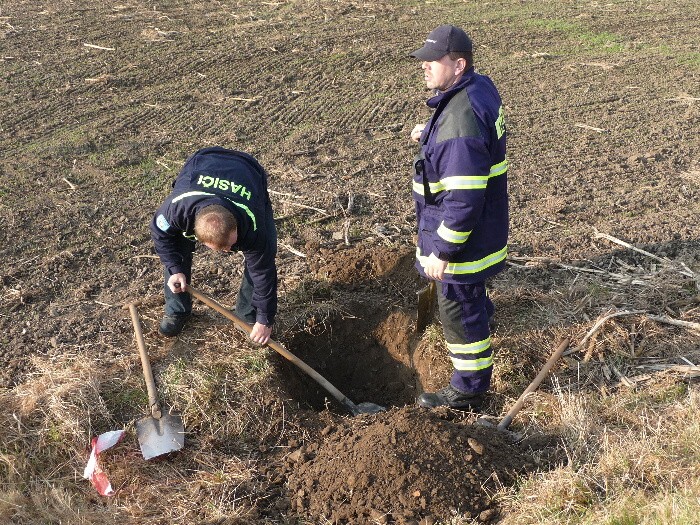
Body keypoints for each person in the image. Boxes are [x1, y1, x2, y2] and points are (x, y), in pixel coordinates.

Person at [409, 24, 508, 410]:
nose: (425, 67)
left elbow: (463, 199)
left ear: (459, 63)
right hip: (486, 229)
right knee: (473, 302)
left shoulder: (459, 124)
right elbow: (469, 139)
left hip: (463, 240)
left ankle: (469, 388)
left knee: (457, 308)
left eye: (434, 61)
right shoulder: (477, 88)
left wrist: (444, 250)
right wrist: (432, 133)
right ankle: (483, 319)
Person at [150, 146, 277, 345]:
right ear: (197, 235)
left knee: (260, 258)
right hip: (203, 162)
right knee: (177, 249)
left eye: (232, 245)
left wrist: (265, 319)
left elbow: (263, 272)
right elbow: (161, 237)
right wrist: (175, 269)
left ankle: (247, 315)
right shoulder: (175, 211)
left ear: (236, 225)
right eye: (223, 248)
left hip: (248, 171)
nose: (228, 251)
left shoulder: (253, 226)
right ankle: (177, 310)